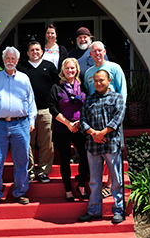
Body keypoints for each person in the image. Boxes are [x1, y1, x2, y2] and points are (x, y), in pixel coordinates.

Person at [0, 46, 37, 208]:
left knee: (22, 159)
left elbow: (31, 101)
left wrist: (31, 121)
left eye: (13, 59)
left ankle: (20, 192)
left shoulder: (24, 79)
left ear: (17, 61)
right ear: (3, 60)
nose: (10, 61)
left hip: (21, 124)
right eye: (7, 59)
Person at [78, 69, 126, 224]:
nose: (98, 83)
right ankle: (94, 210)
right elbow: (83, 121)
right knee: (94, 180)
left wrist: (103, 133)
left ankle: (118, 210)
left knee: (116, 179)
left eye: (101, 80)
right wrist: (94, 133)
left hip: (111, 144)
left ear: (109, 81)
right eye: (96, 81)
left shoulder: (117, 98)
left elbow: (118, 118)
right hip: (92, 145)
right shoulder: (88, 100)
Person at [84, 41, 127, 198]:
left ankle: (110, 184)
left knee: (112, 152)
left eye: (99, 50)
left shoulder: (114, 68)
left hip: (112, 119)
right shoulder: (89, 72)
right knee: (99, 152)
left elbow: (122, 92)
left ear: (105, 51)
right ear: (90, 54)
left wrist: (118, 117)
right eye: (94, 51)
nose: (97, 53)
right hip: (95, 121)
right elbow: (89, 94)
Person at [17, 41, 59, 183]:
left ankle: (43, 172)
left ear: (42, 51)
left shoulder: (49, 66)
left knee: (47, 142)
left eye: (37, 50)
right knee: (27, 142)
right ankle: (29, 172)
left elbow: (57, 85)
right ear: (28, 53)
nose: (35, 52)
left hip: (45, 110)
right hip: (26, 112)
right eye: (32, 50)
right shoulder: (21, 68)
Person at [49, 58, 89, 201]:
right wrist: (68, 123)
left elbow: (87, 105)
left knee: (85, 156)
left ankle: (82, 185)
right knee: (65, 159)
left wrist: (79, 122)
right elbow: (52, 108)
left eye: (72, 68)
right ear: (63, 71)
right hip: (62, 127)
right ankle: (68, 189)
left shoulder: (82, 86)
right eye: (67, 68)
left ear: (77, 70)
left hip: (80, 127)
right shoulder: (56, 87)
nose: (70, 71)